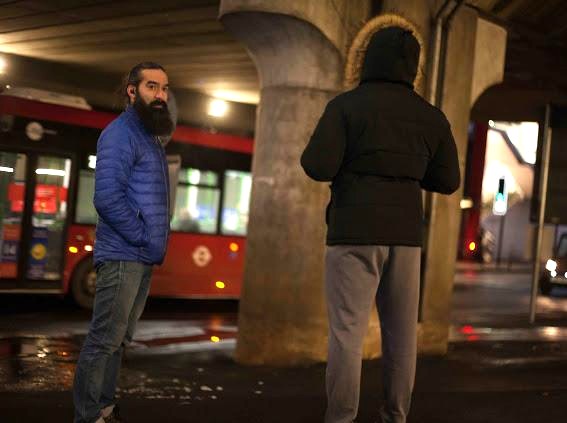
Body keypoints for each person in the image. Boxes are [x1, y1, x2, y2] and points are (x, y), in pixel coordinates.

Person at [300, 26, 460, 423]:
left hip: (352, 232)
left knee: (347, 335)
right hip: (406, 237)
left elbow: (316, 165)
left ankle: (340, 418)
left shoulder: (345, 107)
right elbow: (448, 180)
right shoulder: (431, 117)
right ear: (413, 67)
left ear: (368, 57)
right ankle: (395, 416)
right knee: (402, 340)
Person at [73, 62, 173, 423]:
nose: (160, 95)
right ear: (132, 92)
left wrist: (149, 243)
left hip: (140, 255)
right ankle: (88, 416)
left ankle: (103, 408)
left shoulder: (148, 135)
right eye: (152, 87)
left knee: (117, 341)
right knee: (103, 340)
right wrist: (144, 236)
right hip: (123, 254)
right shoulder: (120, 135)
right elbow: (108, 198)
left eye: (164, 88)